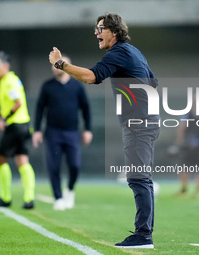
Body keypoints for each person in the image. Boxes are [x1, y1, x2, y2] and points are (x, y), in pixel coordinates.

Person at [49, 13, 160, 248]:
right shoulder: (134, 52)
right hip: (145, 120)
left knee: (138, 178)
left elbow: (91, 77)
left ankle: (143, 235)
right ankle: (144, 232)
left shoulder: (119, 52)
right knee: (140, 178)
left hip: (140, 123)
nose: (96, 32)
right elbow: (153, 81)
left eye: (100, 28)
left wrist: (61, 64)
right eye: (96, 28)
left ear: (115, 32)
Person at [33, 55, 92, 211]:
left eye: (59, 63)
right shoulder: (47, 86)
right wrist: (37, 130)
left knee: (75, 165)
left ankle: (70, 189)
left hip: (72, 132)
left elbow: (86, 109)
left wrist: (88, 129)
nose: (55, 67)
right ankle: (58, 198)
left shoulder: (77, 86)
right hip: (53, 133)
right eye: (54, 64)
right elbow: (40, 109)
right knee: (54, 166)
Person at [0, 51, 35, 209]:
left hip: (15, 126)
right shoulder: (9, 80)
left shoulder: (9, 81)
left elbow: (18, 104)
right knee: (22, 160)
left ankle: (5, 197)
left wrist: (3, 120)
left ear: (6, 66)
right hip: (24, 125)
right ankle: (29, 199)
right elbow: (11, 103)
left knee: (0, 160)